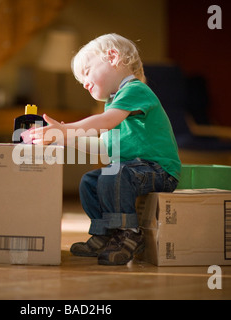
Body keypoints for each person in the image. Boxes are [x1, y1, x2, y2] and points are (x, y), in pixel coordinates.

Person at [31, 33, 181, 265]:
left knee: (116, 173)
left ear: (112, 57)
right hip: (133, 169)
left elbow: (105, 122)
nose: (85, 83)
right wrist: (63, 138)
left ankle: (129, 234)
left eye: (87, 72)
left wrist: (65, 128)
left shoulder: (135, 90)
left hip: (159, 170)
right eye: (82, 82)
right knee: (91, 180)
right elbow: (103, 146)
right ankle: (105, 233)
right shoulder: (116, 102)